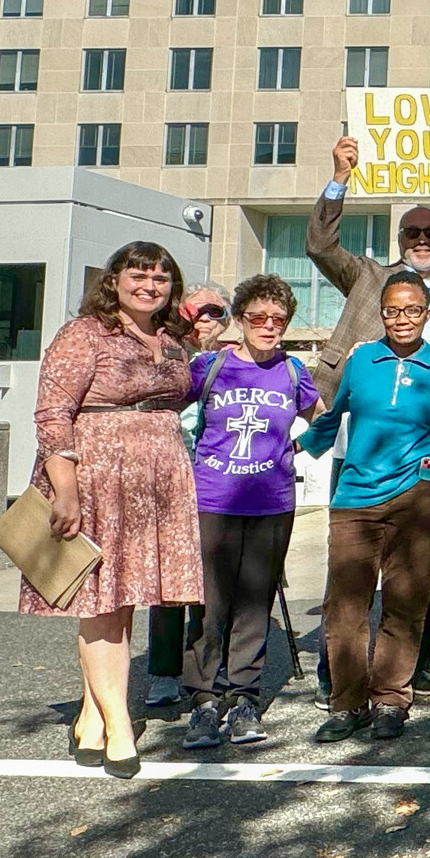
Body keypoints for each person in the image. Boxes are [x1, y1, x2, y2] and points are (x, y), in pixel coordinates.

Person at [306, 135, 430, 703]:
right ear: (399, 239)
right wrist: (339, 178)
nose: (421, 241)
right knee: (352, 570)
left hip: (427, 457)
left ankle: (408, 669)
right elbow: (320, 245)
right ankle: (343, 675)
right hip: (360, 442)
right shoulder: (368, 277)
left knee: (413, 574)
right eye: (412, 233)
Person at [30, 242, 202, 778]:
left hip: (159, 479)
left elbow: (177, 400)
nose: (150, 285)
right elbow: (52, 413)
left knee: (125, 602)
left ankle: (91, 716)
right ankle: (120, 725)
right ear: (115, 281)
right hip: (99, 477)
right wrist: (65, 489)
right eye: (139, 275)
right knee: (103, 603)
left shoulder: (173, 340)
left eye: (161, 277)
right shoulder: (83, 333)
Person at [298, 270, 430, 742]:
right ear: (381, 314)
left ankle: (391, 697)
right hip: (355, 495)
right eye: (393, 310)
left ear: (427, 315)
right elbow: (333, 419)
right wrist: (290, 450)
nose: (402, 318)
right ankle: (347, 703)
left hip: (421, 494)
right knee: (345, 604)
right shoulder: (363, 360)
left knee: (405, 600)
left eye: (413, 309)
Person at [178, 274, 321, 751]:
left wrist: (294, 447)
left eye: (278, 319)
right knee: (210, 602)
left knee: (253, 602)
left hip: (271, 503)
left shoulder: (294, 372)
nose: (268, 326)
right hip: (213, 498)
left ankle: (243, 696)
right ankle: (202, 699)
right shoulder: (210, 367)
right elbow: (169, 416)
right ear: (239, 320)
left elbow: (324, 419)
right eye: (257, 317)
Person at [145, 281, 238, 708]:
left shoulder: (229, 361)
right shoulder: (164, 354)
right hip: (166, 477)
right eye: (194, 311)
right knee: (167, 581)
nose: (204, 320)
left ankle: (204, 661)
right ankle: (164, 671)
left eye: (215, 312)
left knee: (211, 581)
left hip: (214, 481)